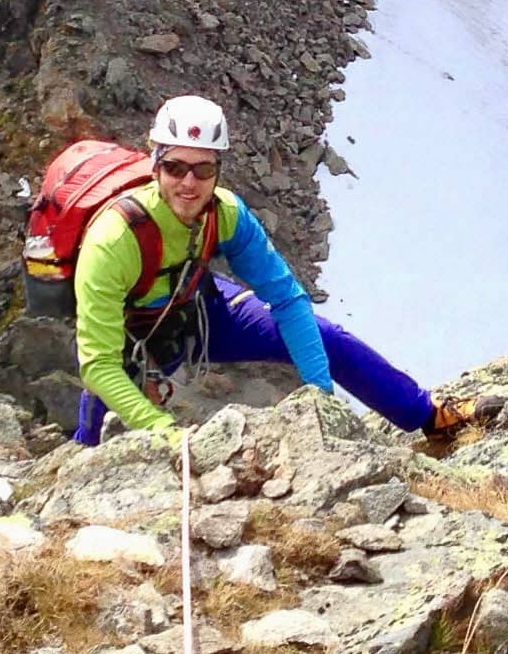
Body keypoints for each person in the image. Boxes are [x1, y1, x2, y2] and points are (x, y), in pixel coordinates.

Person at [71, 95, 457, 449]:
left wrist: (320, 402)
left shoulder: (225, 214)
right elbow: (99, 365)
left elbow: (288, 300)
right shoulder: (112, 241)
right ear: (155, 165)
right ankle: (78, 463)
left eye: (203, 169)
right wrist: (162, 430)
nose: (189, 183)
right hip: (133, 340)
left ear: (218, 169)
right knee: (101, 428)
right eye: (175, 167)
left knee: (325, 337)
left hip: (196, 310)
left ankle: (427, 415)